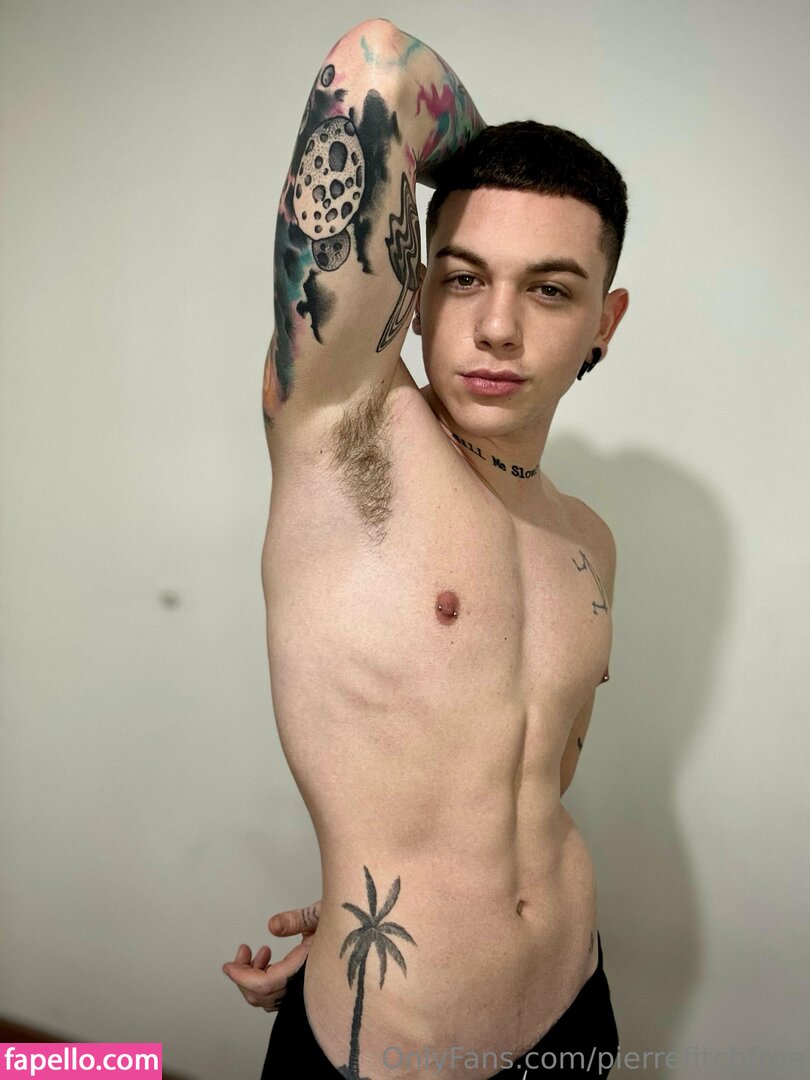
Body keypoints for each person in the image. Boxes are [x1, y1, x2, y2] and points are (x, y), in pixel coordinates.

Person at [223, 17, 629, 1079]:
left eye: (550, 288)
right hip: (392, 1053)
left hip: (581, 1007)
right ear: (409, 292)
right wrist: (487, 168)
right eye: (462, 276)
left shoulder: (589, 542)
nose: (497, 327)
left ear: (605, 322)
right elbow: (376, 64)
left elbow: (513, 787)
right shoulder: (345, 433)